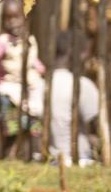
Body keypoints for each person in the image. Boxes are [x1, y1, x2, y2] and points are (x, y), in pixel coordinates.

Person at [0, 0, 45, 158]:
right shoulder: (2, 41)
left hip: (28, 89)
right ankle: (7, 154)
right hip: (8, 89)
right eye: (8, 18)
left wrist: (41, 68)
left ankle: (34, 153)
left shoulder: (29, 40)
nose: (12, 22)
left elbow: (34, 61)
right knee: (10, 125)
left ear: (24, 18)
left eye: (16, 17)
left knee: (34, 121)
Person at [39, 31, 99, 166]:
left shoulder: (40, 85)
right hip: (81, 159)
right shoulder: (82, 85)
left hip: (51, 161)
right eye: (84, 52)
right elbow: (98, 127)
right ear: (74, 53)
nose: (86, 57)